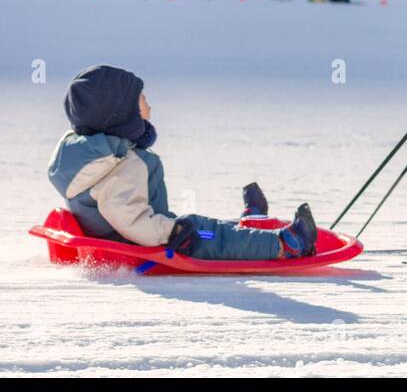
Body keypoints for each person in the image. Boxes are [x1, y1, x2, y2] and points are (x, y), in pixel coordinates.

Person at [47, 65, 317, 260]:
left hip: (142, 233)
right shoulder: (121, 164)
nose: (149, 106)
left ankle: (250, 227)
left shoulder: (98, 156)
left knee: (201, 228)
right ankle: (285, 245)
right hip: (143, 245)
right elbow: (129, 219)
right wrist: (171, 231)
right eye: (142, 101)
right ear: (123, 116)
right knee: (203, 233)